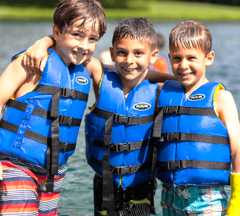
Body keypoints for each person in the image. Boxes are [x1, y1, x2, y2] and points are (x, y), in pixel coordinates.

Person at [0, 0, 106, 215]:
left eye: (92, 39)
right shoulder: (32, 62)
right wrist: (44, 43)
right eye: (77, 35)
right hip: (15, 166)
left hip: (53, 173)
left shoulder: (90, 67)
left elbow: (128, 73)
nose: (84, 45)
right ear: (57, 31)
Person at [153, 20, 240, 215]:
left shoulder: (220, 98)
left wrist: (237, 197)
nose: (183, 65)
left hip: (207, 199)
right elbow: (138, 76)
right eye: (177, 58)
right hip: (169, 196)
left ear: (209, 58)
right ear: (169, 58)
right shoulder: (163, 93)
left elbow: (237, 149)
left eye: (191, 58)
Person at [84, 17, 160, 216]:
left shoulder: (159, 91)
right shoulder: (101, 79)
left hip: (141, 185)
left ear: (153, 56)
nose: (129, 60)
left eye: (138, 53)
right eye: (122, 53)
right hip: (105, 184)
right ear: (112, 53)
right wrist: (44, 43)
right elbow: (76, 55)